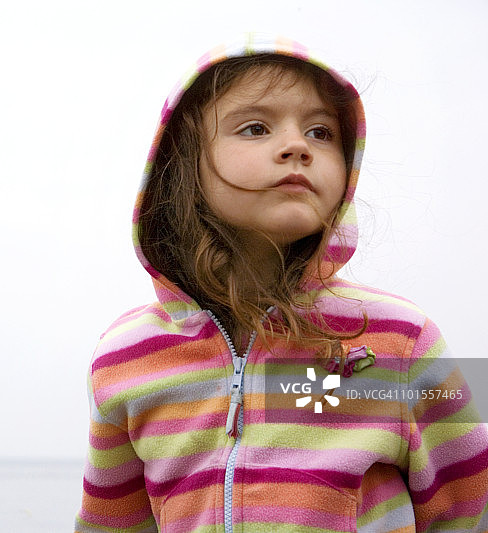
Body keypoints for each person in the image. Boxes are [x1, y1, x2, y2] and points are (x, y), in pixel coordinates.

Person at [75, 34, 488, 532]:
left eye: (320, 132)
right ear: (182, 164)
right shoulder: (125, 356)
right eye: (255, 127)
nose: (297, 145)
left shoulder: (400, 339)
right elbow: (111, 524)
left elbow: (470, 509)